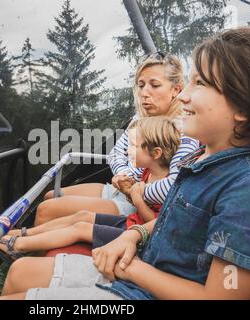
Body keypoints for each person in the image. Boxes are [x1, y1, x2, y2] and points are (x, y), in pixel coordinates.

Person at [0, 27, 250, 300]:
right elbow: (182, 219)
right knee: (20, 273)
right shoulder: (206, 161)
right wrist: (135, 235)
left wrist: (131, 270)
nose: (182, 95)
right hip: (145, 272)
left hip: (145, 285)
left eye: (200, 83)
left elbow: (220, 297)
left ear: (244, 109)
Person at [30, 53, 199, 226]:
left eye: (154, 85)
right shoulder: (139, 118)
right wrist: (123, 175)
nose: (144, 93)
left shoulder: (185, 130)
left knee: (46, 210)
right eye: (141, 85)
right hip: (121, 189)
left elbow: (176, 186)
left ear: (176, 90)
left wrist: (133, 191)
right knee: (50, 195)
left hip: (141, 203)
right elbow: (116, 153)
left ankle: (21, 246)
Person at [0, 117, 180, 259]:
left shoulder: (168, 186)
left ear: (156, 153)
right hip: (131, 221)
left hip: (138, 235)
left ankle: (18, 246)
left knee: (81, 228)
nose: (127, 151)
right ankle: (23, 234)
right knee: (80, 216)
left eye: (133, 147)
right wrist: (132, 193)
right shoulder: (147, 172)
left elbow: (157, 224)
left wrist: (138, 200)